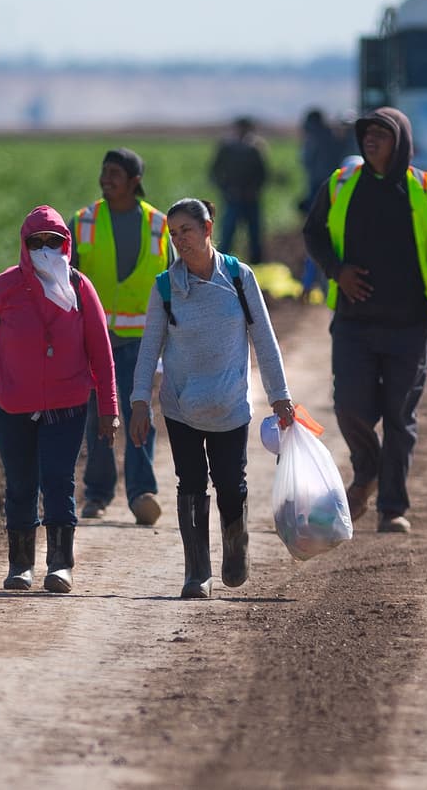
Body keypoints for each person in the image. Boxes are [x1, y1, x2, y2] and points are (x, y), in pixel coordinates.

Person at [302, 107, 427, 535]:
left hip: (412, 325)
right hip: (354, 322)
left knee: (398, 416)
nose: (371, 139)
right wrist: (337, 271)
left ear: (401, 143)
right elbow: (313, 233)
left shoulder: (424, 190)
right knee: (349, 405)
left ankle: (392, 507)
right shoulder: (340, 184)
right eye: (367, 132)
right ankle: (367, 471)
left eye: (382, 133)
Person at [129, 197, 295, 599]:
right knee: (190, 483)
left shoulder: (238, 277)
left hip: (230, 405)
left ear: (207, 229)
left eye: (186, 230)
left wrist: (280, 397)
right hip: (181, 405)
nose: (179, 240)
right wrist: (139, 401)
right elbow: (149, 349)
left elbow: (265, 339)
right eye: (173, 234)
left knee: (231, 484)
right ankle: (197, 571)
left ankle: (236, 548)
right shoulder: (166, 287)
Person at [0, 205, 120, 593]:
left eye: (54, 241)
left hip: (66, 406)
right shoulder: (3, 289)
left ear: (66, 245)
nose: (46, 249)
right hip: (11, 407)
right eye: (37, 242)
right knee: (20, 484)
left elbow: (101, 352)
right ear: (24, 244)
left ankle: (60, 565)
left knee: (58, 480)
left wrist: (109, 408)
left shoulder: (80, 288)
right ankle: (20, 566)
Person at [69, 148, 171, 525]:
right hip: (95, 342)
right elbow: (66, 279)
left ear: (134, 181)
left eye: (114, 173)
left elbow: (172, 282)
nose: (106, 179)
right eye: (104, 171)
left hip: (141, 341)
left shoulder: (160, 225)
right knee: (99, 416)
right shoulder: (83, 222)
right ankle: (97, 493)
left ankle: (142, 492)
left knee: (139, 415)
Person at [298, 109, 352, 302]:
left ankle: (311, 284)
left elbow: (307, 163)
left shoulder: (315, 141)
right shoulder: (336, 140)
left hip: (321, 192)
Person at [209, 116, 270, 264]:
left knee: (254, 235)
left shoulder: (256, 149)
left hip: (251, 199)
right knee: (227, 233)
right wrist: (226, 190)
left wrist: (254, 190)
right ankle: (221, 264)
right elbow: (214, 172)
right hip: (232, 198)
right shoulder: (226, 148)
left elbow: (263, 174)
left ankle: (256, 264)